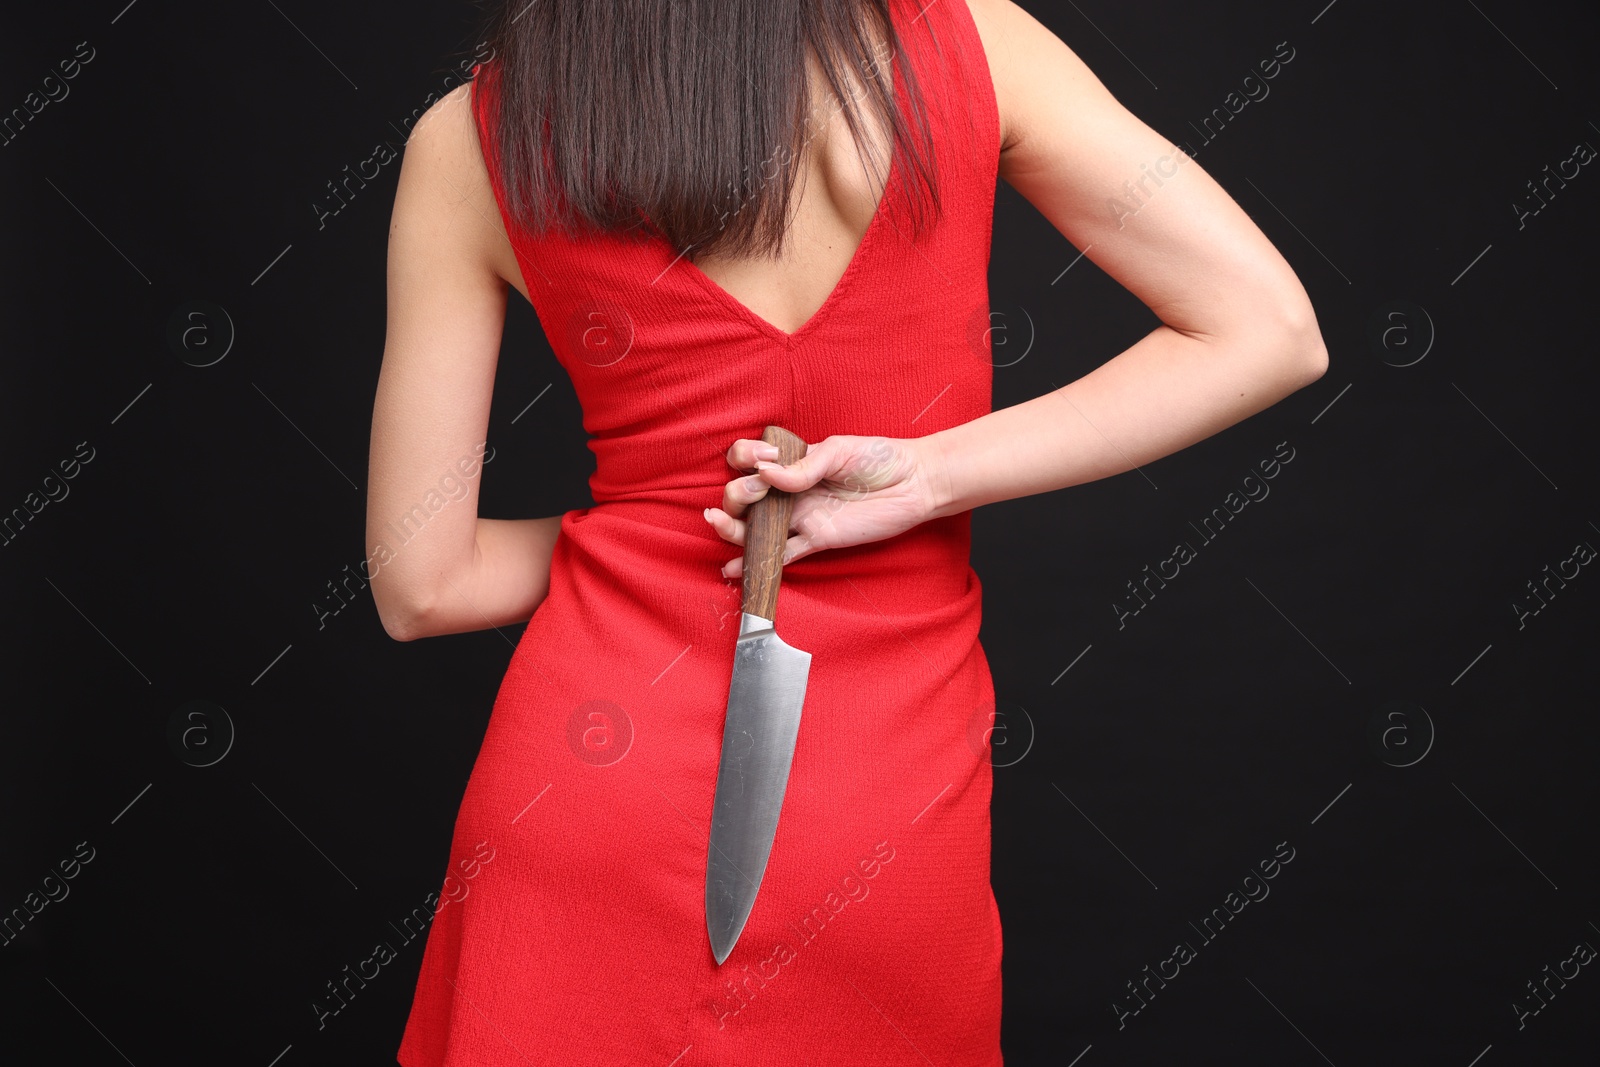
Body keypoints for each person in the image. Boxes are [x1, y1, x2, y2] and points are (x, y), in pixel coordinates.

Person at [370, 0, 1327, 1063]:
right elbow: (1269, 329)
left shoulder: (471, 139)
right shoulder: (970, 44)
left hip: (591, 791)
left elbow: (426, 582)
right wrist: (928, 474)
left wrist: (651, 523)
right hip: (883, 823)